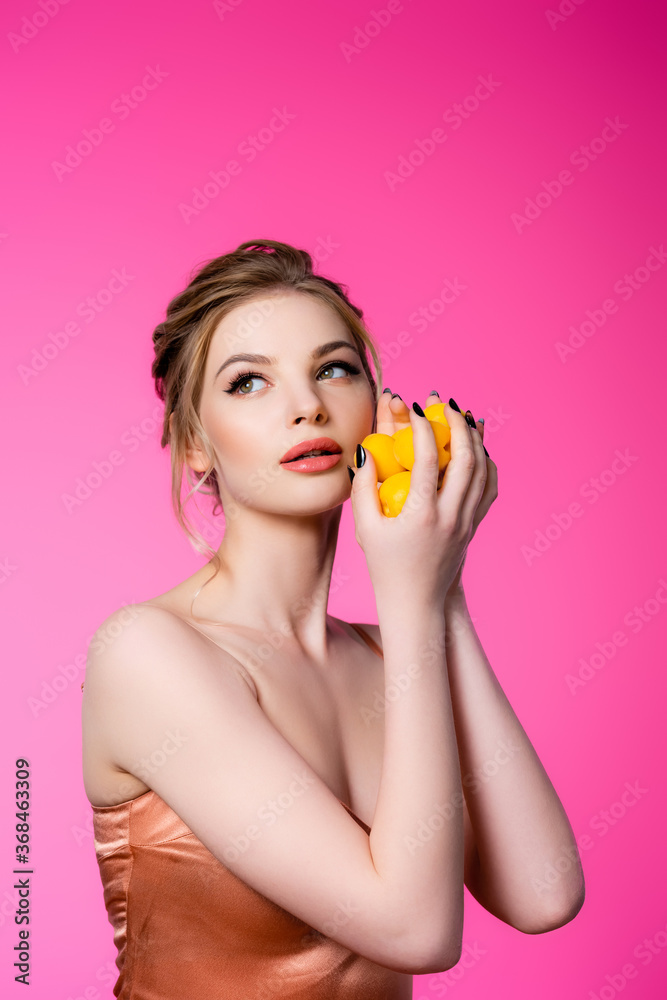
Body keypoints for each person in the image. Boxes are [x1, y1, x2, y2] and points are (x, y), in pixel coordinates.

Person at [81, 239, 585, 999]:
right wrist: (415, 602)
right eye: (248, 382)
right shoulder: (148, 653)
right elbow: (416, 931)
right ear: (193, 444)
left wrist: (439, 586)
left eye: (334, 368)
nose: (306, 405)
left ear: (379, 416)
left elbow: (543, 894)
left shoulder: (396, 653)